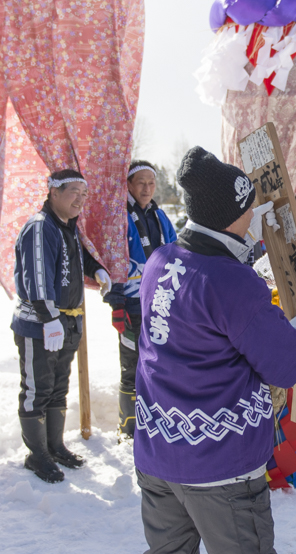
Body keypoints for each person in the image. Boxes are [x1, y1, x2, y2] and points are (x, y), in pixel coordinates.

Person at [115, 147, 296, 554]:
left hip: (161, 455)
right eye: (249, 210)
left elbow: (206, 292)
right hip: (220, 465)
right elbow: (285, 365)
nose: (254, 219)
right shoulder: (234, 285)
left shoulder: (164, 259)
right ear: (234, 213)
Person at [11, 170, 110, 484]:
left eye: (84, 194)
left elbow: (78, 257)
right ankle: (36, 454)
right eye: (74, 192)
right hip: (40, 325)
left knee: (57, 388)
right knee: (36, 389)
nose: (80, 199)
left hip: (67, 322)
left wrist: (98, 270)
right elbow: (37, 280)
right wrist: (49, 320)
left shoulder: (69, 227)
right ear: (53, 192)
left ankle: (54, 446)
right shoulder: (41, 228)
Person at [105, 161, 178, 439]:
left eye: (151, 183)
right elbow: (113, 260)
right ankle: (129, 427)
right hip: (132, 303)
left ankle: (155, 418)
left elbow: (175, 251)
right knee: (132, 364)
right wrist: (116, 303)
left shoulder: (160, 216)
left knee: (159, 362)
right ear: (128, 185)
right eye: (141, 183)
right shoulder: (120, 217)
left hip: (160, 302)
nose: (147, 188)